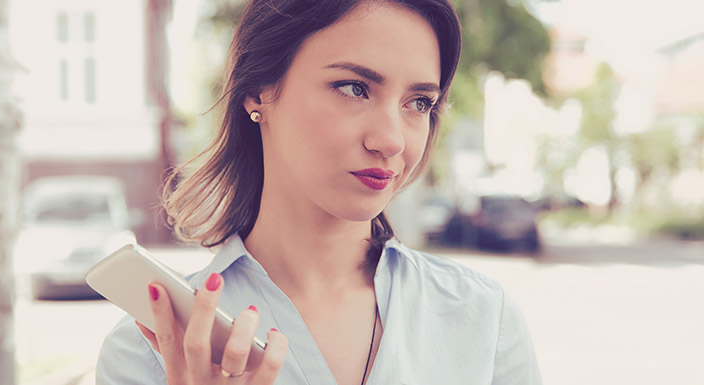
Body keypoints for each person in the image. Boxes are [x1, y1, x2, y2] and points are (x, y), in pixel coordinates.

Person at [96, 0, 542, 384]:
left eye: (418, 103)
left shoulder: (484, 320)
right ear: (258, 90)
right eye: (354, 88)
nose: (391, 140)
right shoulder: (151, 348)